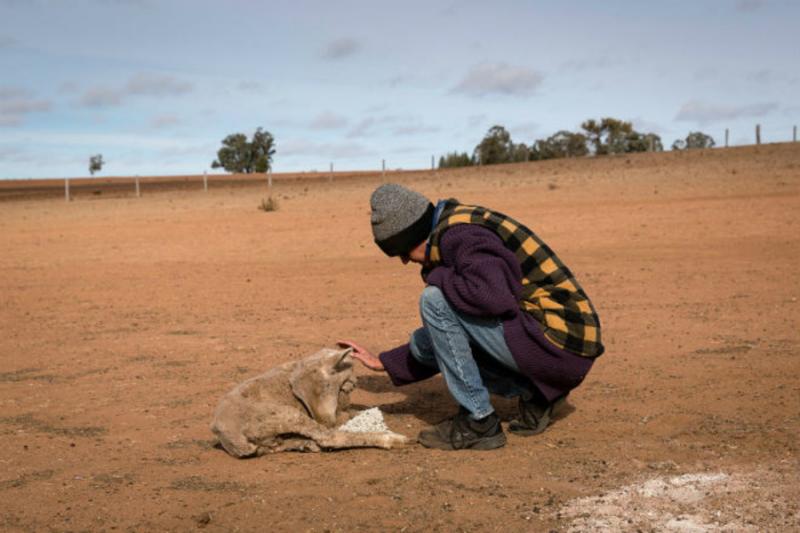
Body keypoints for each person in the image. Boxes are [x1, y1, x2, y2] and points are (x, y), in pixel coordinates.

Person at [339, 183, 603, 451]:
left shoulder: (460, 236)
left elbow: (493, 298)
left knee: (434, 301)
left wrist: (436, 276)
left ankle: (479, 421)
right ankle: (536, 394)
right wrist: (384, 362)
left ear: (414, 235)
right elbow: (447, 338)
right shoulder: (452, 225)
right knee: (434, 332)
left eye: (403, 252)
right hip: (561, 347)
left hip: (560, 346)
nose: (406, 261)